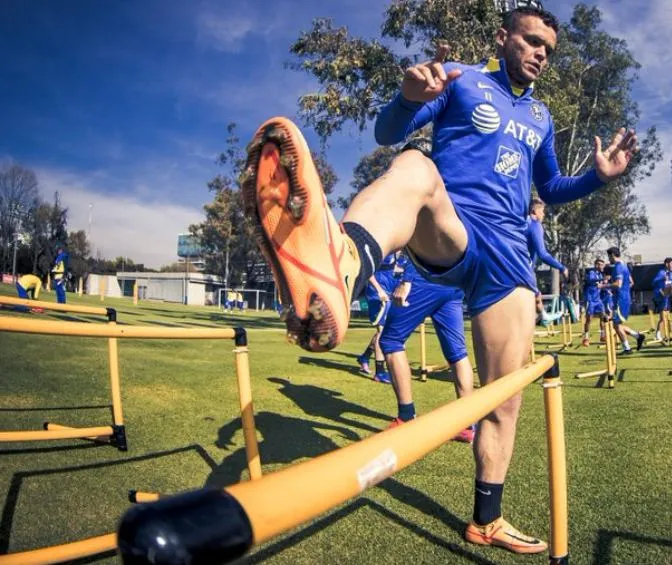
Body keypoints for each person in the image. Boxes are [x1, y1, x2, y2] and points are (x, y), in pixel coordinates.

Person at [239, 4, 637, 554]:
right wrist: (407, 97)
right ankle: (343, 262)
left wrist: (596, 178)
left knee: (503, 400)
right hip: (455, 233)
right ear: (503, 39)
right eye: (530, 40)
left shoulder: (542, 117)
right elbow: (387, 131)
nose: (541, 52)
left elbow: (552, 187)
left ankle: (486, 520)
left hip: (511, 264)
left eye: (548, 46)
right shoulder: (462, 81)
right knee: (415, 166)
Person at [379, 254, 475, 443]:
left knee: (391, 341)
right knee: (458, 354)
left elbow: (421, 237)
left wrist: (407, 279)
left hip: (423, 281)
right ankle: (468, 424)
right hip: (454, 283)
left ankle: (406, 416)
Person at [356, 252, 402, 384]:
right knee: (383, 332)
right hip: (378, 293)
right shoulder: (383, 249)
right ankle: (380, 372)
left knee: (383, 330)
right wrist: (379, 290)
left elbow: (392, 269)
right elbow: (367, 270)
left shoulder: (401, 251)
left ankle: (365, 357)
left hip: (390, 291)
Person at [526, 198, 567, 324]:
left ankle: (542, 315)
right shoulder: (535, 225)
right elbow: (542, 254)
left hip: (512, 267)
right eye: (542, 211)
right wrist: (561, 267)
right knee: (532, 298)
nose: (543, 215)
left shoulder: (520, 223)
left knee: (536, 296)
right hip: (525, 269)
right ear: (534, 211)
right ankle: (542, 316)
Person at [607, 247, 645, 354]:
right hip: (623, 297)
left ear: (613, 255)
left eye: (609, 256)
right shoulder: (624, 266)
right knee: (617, 324)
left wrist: (603, 286)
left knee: (616, 325)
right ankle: (637, 336)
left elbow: (618, 284)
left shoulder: (618, 267)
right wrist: (624, 289)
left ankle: (627, 348)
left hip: (620, 299)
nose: (609, 259)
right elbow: (631, 282)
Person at [651, 257, 672, 342]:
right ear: (667, 264)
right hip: (659, 294)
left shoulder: (670, 274)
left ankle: (659, 334)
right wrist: (662, 278)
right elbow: (653, 282)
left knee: (663, 317)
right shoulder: (661, 272)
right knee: (663, 317)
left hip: (665, 296)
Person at [580, 258, 606, 347]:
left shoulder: (600, 274)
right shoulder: (592, 273)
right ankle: (586, 338)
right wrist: (603, 279)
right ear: (596, 265)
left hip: (598, 300)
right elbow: (591, 279)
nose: (602, 266)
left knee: (603, 317)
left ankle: (602, 336)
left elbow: (602, 285)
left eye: (603, 265)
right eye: (600, 264)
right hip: (590, 299)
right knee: (589, 319)